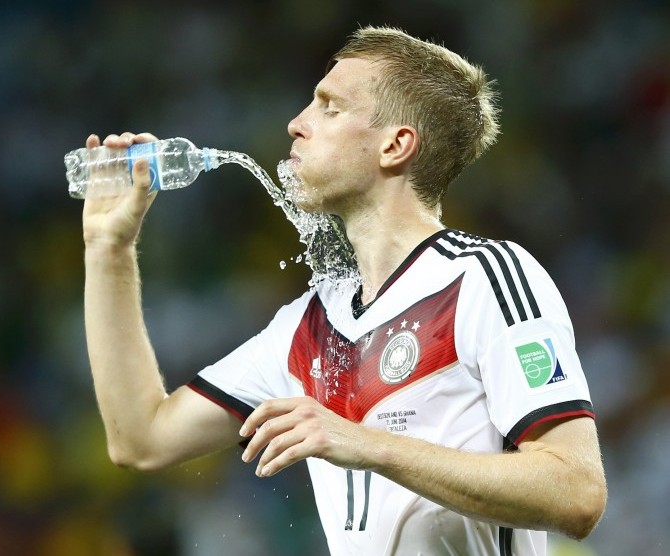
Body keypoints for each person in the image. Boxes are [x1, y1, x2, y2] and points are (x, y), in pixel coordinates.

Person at [80, 25, 606, 555]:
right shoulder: (307, 324)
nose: (296, 123)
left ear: (395, 145)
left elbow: (576, 493)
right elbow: (142, 440)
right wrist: (108, 251)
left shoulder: (483, 278)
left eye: (329, 107)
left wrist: (362, 442)